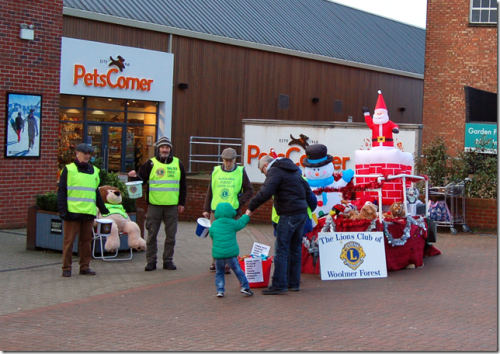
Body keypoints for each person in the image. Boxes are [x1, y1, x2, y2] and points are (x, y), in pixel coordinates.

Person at [246, 155, 317, 295]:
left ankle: (279, 284)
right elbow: (308, 192)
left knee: (281, 249)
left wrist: (251, 207)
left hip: (288, 213)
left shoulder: (275, 171)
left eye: (262, 171)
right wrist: (308, 209)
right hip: (301, 212)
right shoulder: (294, 170)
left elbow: (265, 191)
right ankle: (293, 283)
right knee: (295, 249)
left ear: (266, 166)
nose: (264, 174)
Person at [128, 136, 187, 272]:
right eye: (162, 147)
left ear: (170, 149)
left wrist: (181, 203)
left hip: (172, 206)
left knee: (171, 236)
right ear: (158, 149)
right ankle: (151, 261)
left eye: (167, 147)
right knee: (152, 235)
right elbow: (140, 180)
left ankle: (168, 261)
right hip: (154, 206)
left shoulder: (178, 163)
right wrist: (133, 176)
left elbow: (183, 185)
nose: (165, 150)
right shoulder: (151, 163)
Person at [58, 143, 110, 278]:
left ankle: (85, 267)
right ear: (77, 153)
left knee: (86, 242)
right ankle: (66, 268)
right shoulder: (68, 170)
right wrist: (62, 210)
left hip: (88, 213)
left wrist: (103, 209)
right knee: (69, 242)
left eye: (89, 154)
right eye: (84, 153)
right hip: (72, 213)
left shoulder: (95, 171)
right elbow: (62, 191)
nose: (87, 156)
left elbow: (96, 193)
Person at [203, 147, 253, 273]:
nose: (228, 163)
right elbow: (210, 191)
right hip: (215, 210)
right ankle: (216, 262)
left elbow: (249, 190)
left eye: (230, 160)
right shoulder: (216, 171)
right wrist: (206, 209)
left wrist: (238, 202)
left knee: (228, 237)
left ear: (235, 160)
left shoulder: (241, 171)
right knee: (215, 237)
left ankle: (226, 264)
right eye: (226, 160)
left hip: (232, 211)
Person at [209, 202, 253, 298]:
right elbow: (241, 223)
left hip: (218, 255)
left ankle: (220, 290)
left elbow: (211, 234)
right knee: (237, 270)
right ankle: (245, 287)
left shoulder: (214, 224)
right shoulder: (232, 223)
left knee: (219, 272)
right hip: (231, 254)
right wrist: (246, 215)